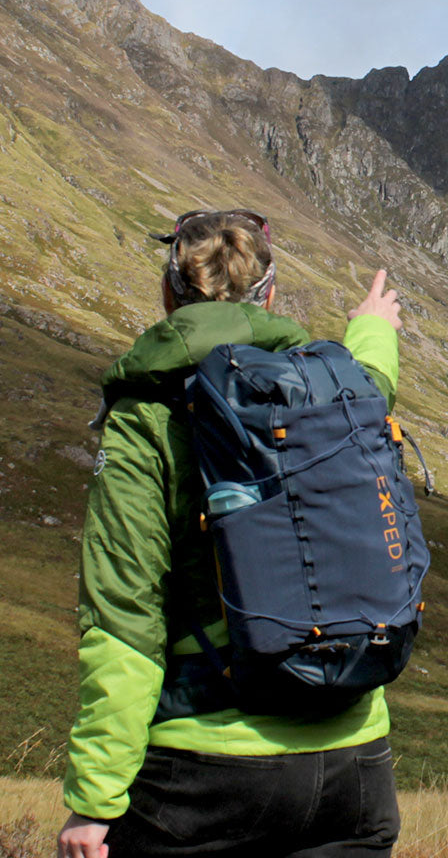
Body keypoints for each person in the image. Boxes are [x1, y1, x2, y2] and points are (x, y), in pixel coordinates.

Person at [58, 209, 404, 858]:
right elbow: (374, 384)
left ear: (168, 293)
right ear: (269, 295)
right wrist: (372, 326)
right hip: (352, 765)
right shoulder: (335, 387)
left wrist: (94, 803)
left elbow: (125, 616)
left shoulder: (150, 413)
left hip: (202, 778)